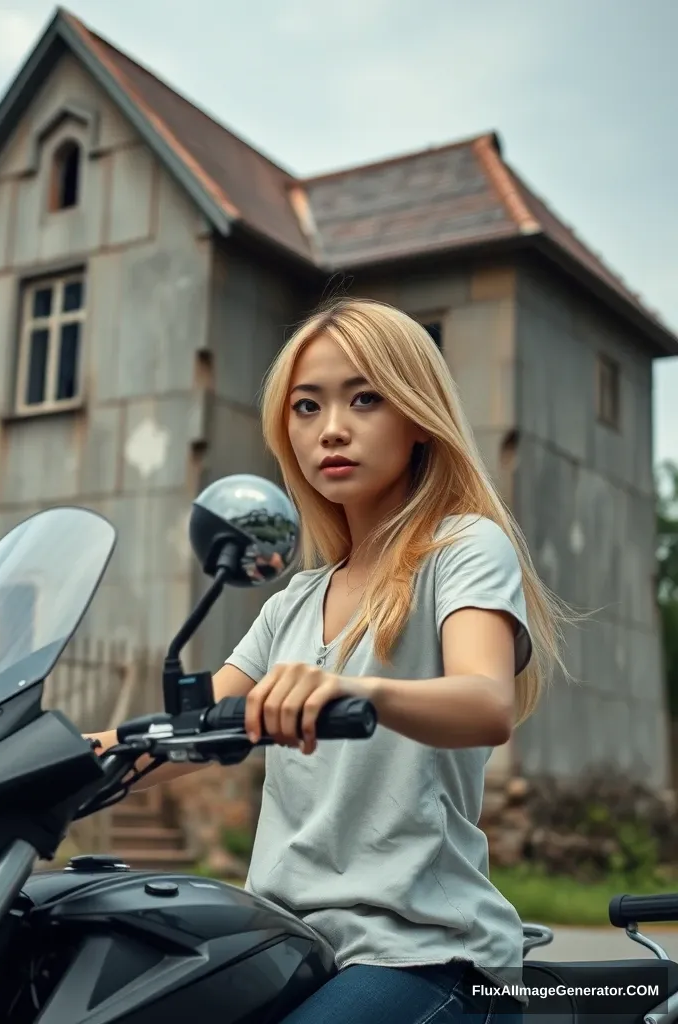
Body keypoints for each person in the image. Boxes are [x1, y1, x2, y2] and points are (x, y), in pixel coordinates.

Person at [86, 297, 571, 1023]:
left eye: (365, 398)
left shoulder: (462, 549)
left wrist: (356, 691)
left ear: (416, 418)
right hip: (287, 944)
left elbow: (485, 702)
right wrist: (60, 760)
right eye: (307, 406)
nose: (332, 428)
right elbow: (186, 734)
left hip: (423, 950)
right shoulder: (291, 602)